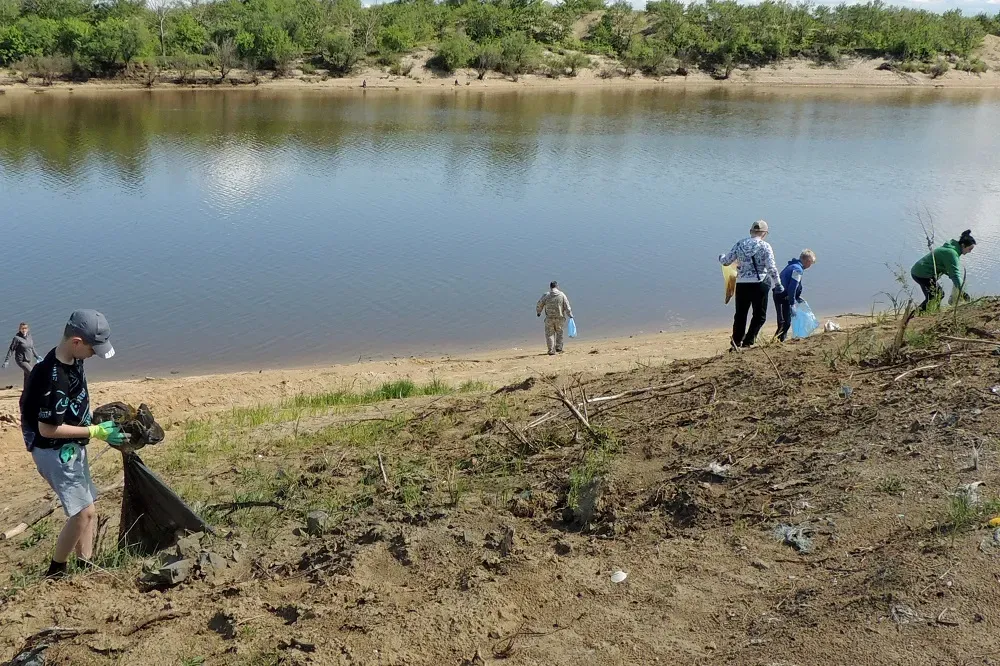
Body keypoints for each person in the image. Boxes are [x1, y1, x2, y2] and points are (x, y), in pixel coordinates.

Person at [20, 310, 125, 579]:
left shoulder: (72, 360)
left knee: (89, 507)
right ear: (77, 341)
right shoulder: (52, 378)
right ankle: (57, 569)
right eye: (93, 348)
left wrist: (91, 423)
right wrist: (95, 431)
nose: (95, 354)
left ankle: (85, 565)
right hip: (53, 450)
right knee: (82, 513)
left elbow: (74, 401)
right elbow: (47, 428)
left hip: (73, 444)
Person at [719, 220, 784, 349]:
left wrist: (721, 257)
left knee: (740, 314)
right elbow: (771, 267)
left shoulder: (740, 244)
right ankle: (749, 341)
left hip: (742, 284)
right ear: (765, 233)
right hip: (760, 284)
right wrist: (778, 284)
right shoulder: (765, 246)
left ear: (751, 231)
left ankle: (736, 342)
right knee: (759, 316)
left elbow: (726, 262)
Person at [910, 230, 976, 311]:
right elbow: (955, 275)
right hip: (922, 274)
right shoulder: (951, 253)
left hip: (918, 272)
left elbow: (949, 271)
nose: (970, 252)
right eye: (970, 249)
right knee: (937, 295)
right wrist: (962, 292)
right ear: (963, 245)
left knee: (933, 296)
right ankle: (915, 316)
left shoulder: (951, 250)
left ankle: (925, 315)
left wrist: (957, 284)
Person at [774, 250, 817, 342]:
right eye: (811, 263)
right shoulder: (798, 269)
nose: (810, 266)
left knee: (785, 322)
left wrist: (797, 297)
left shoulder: (793, 265)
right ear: (807, 261)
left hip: (782, 295)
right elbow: (792, 287)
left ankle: (780, 340)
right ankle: (777, 341)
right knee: (784, 323)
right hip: (782, 296)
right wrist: (792, 303)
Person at [536, 281, 573, 355]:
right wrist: (570, 315)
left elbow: (540, 304)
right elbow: (567, 306)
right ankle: (559, 348)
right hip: (560, 318)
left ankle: (551, 350)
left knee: (549, 334)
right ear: (557, 286)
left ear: (550, 287)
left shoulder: (546, 295)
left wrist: (538, 312)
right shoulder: (562, 295)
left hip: (549, 318)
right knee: (559, 332)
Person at [3, 322, 43, 391]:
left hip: (29, 359)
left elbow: (32, 347)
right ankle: (39, 390)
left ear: (28, 329)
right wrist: (6, 361)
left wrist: (37, 356)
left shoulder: (29, 336)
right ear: (19, 329)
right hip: (21, 360)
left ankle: (26, 391)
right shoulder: (17, 338)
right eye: (22, 328)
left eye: (25, 328)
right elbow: (11, 349)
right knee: (32, 373)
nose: (24, 330)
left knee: (27, 376)